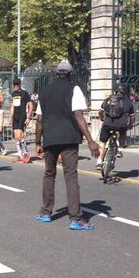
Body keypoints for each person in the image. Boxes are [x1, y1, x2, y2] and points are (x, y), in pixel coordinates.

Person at [34, 60, 100, 230]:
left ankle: (45, 212)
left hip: (49, 138)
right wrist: (91, 140)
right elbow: (78, 116)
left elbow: (39, 120)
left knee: (49, 174)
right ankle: (75, 218)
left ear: (56, 74)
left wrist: (37, 142)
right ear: (70, 74)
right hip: (69, 139)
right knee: (70, 175)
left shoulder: (45, 91)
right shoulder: (74, 89)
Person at [96, 84, 135, 168]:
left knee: (102, 142)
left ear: (116, 91)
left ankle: (99, 161)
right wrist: (131, 125)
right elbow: (132, 116)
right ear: (126, 92)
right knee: (123, 133)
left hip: (107, 124)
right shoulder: (128, 102)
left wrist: (102, 118)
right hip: (121, 125)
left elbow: (100, 112)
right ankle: (120, 150)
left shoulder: (108, 100)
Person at [9, 78, 32, 163]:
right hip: (15, 116)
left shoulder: (24, 93)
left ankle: (25, 153)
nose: (15, 86)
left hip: (22, 115)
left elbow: (30, 105)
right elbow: (12, 106)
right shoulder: (13, 94)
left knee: (20, 136)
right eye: (14, 85)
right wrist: (10, 117)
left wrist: (28, 117)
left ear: (20, 84)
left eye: (17, 84)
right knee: (16, 137)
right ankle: (20, 154)